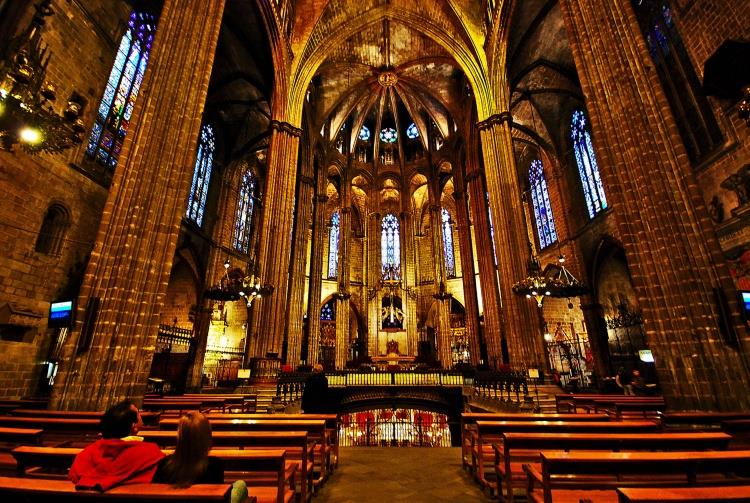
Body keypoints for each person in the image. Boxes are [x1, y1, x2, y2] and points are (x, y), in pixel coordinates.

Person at [153, 411, 248, 503]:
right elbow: (219, 495)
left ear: (180, 437)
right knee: (240, 485)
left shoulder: (164, 464)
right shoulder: (215, 465)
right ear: (207, 437)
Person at [69, 400, 164, 491]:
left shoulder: (85, 454)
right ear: (133, 426)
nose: (140, 415)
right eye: (138, 413)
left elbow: (74, 477)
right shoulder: (149, 452)